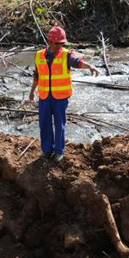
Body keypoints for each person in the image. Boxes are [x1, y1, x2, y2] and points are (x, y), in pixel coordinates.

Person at [28, 26, 101, 163]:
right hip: (44, 96)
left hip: (60, 97)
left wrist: (89, 66)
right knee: (44, 124)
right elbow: (37, 75)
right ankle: (47, 150)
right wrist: (32, 92)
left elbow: (77, 62)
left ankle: (59, 151)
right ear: (50, 41)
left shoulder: (66, 55)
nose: (60, 45)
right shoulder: (38, 55)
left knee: (59, 123)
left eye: (62, 43)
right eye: (57, 43)